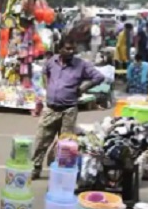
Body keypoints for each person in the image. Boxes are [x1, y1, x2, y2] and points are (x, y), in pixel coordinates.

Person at [31, 38, 105, 179]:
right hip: (51, 109)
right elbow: (44, 72)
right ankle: (35, 168)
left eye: (73, 49)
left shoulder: (81, 65)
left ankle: (61, 172)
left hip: (69, 110)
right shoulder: (52, 61)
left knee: (65, 145)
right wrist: (49, 88)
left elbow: (99, 77)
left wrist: (83, 87)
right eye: (67, 49)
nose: (71, 52)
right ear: (60, 50)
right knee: (41, 140)